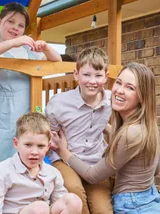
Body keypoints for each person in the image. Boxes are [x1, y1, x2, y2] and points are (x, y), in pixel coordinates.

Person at [54, 62, 160, 214]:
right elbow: (155, 168)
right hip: (153, 200)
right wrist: (103, 127)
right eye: (119, 83)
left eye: (130, 88)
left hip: (133, 206)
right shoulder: (148, 126)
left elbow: (93, 176)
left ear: (142, 97)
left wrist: (64, 153)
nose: (120, 90)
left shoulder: (130, 134)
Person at [0, 2, 62, 180]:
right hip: (5, 108)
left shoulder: (28, 51)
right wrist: (13, 42)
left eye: (20, 26)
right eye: (11, 22)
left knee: (24, 149)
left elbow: (57, 60)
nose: (15, 28)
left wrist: (46, 48)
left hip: (28, 106)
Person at [45, 47, 113, 214]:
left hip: (95, 161)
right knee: (74, 190)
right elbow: (50, 135)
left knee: (103, 209)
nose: (92, 81)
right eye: (86, 75)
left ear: (106, 76)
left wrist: (111, 130)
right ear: (76, 75)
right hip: (64, 157)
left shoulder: (112, 100)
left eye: (98, 75)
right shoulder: (59, 104)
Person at [0, 112, 82, 214]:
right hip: (25, 211)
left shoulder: (53, 173)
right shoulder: (1, 171)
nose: (34, 152)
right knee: (40, 208)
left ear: (48, 146)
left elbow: (59, 203)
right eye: (28, 145)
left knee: (73, 201)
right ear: (16, 143)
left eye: (41, 146)